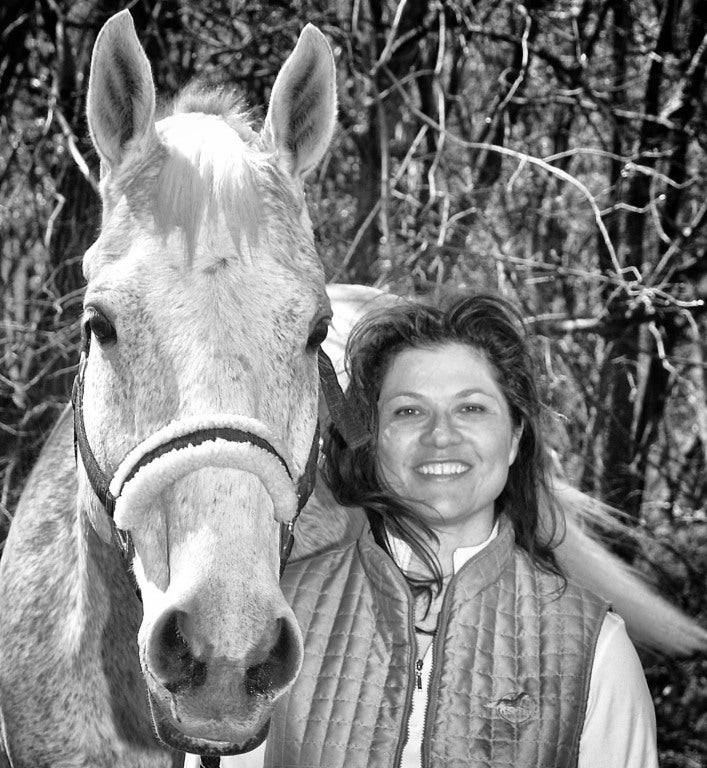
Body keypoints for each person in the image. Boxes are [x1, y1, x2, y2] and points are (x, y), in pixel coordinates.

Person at [196, 290, 658, 768]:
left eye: (472, 408)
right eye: (409, 411)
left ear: (516, 438)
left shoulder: (594, 649)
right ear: (371, 440)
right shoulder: (272, 623)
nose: (441, 435)